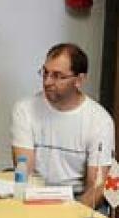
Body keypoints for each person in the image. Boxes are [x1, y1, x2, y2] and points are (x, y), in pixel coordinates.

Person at [11, 43, 114, 208]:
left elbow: (96, 186)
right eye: (45, 73)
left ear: (79, 80)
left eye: (57, 76)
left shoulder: (100, 120)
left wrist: (71, 216)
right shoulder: (25, 110)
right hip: (36, 196)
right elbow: (25, 172)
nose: (47, 82)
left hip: (78, 199)